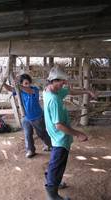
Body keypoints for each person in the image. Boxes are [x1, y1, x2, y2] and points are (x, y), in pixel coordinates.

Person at [43, 66, 95, 200]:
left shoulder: (50, 91)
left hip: (55, 134)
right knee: (58, 162)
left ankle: (53, 180)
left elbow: (70, 91)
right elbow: (59, 125)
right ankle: (52, 194)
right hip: (60, 136)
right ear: (54, 80)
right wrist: (78, 134)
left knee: (56, 160)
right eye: (61, 81)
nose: (64, 83)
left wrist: (86, 91)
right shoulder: (54, 99)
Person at [4, 73, 52, 158]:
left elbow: (29, 91)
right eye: (26, 83)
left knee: (42, 133)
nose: (28, 85)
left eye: (29, 83)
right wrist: (2, 83)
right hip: (25, 117)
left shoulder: (34, 89)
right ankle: (30, 150)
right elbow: (10, 89)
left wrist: (18, 85)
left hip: (37, 116)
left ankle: (49, 145)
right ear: (22, 84)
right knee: (27, 134)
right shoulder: (19, 91)